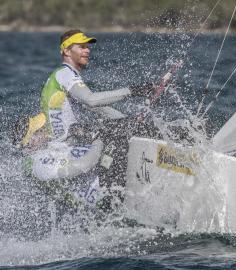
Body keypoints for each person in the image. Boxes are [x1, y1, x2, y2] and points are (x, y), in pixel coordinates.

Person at [11, 29, 182, 211]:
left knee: (129, 128)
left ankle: (175, 149)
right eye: (81, 46)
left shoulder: (63, 84)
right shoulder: (64, 74)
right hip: (99, 194)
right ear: (67, 51)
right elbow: (92, 100)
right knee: (117, 134)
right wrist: (133, 91)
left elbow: (97, 107)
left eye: (88, 47)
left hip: (77, 156)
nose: (87, 50)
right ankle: (181, 149)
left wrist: (129, 121)